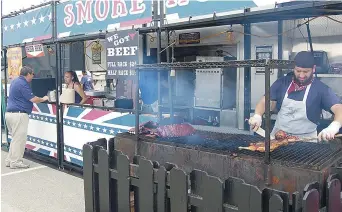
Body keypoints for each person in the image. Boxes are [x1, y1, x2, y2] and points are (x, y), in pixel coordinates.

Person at [249, 51, 342, 142]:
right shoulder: (282, 82)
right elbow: (265, 100)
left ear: (313, 69)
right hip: (278, 137)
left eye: (306, 72)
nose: (301, 75)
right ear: (293, 68)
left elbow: (338, 108)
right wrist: (257, 115)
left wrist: (334, 126)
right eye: (298, 71)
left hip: (305, 141)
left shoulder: (321, 89)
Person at [5, 66, 49, 169]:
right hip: (19, 115)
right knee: (19, 139)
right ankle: (16, 161)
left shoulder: (15, 81)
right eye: (32, 74)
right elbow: (33, 99)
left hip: (10, 114)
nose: (33, 76)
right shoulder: (23, 84)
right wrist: (44, 98)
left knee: (15, 139)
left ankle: (10, 160)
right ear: (28, 74)